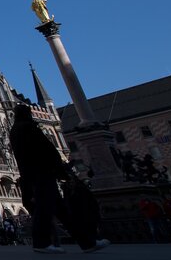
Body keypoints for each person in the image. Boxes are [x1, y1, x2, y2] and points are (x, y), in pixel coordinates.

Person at [9, 104, 108, 254]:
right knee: (44, 209)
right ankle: (42, 243)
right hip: (41, 172)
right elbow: (46, 150)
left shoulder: (16, 130)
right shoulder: (28, 128)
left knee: (63, 212)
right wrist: (60, 169)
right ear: (27, 114)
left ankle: (87, 242)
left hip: (32, 173)